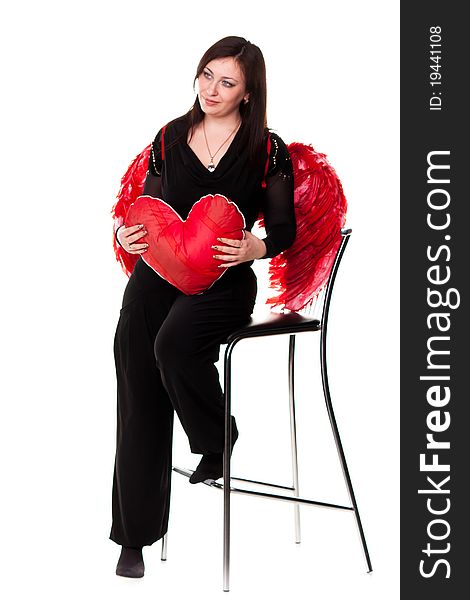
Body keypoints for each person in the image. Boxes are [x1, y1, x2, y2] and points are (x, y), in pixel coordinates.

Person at [110, 35, 296, 578]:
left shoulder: (268, 148)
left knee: (174, 344)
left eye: (227, 82)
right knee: (137, 364)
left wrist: (255, 246)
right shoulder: (169, 136)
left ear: (248, 93)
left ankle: (217, 438)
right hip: (161, 271)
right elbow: (147, 208)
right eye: (206, 75)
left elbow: (281, 229)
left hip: (224, 280)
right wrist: (128, 235)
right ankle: (135, 537)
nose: (212, 89)